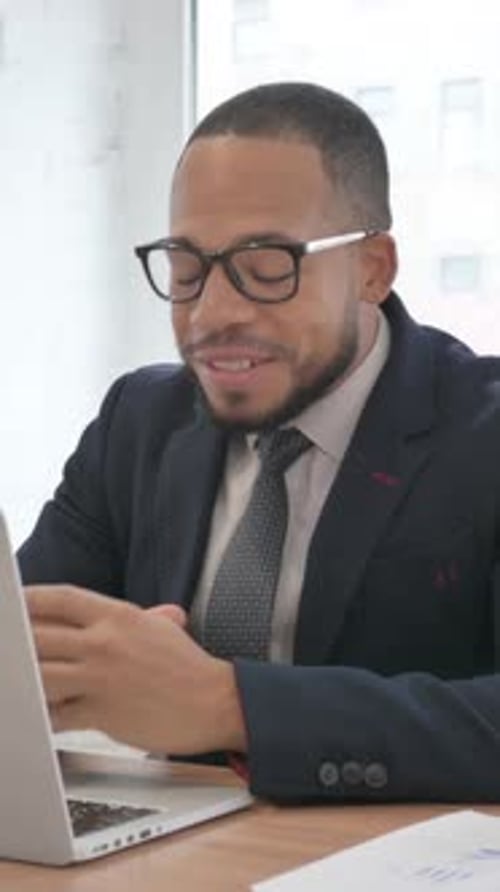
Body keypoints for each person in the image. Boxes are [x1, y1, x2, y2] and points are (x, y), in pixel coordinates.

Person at [19, 82, 500, 804]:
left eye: (268, 265)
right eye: (186, 267)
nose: (213, 312)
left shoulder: (481, 432)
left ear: (373, 268)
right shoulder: (138, 420)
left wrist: (229, 704)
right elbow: (22, 652)